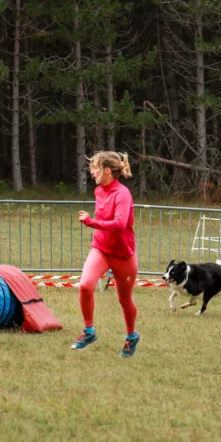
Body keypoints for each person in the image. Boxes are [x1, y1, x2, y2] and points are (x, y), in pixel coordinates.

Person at [72, 151, 140, 358]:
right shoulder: (99, 191)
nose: (92, 172)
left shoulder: (122, 194)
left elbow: (119, 224)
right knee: (85, 285)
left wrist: (91, 222)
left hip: (124, 255)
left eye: (95, 168)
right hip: (101, 249)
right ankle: (89, 331)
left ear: (107, 171)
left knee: (124, 299)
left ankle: (131, 337)